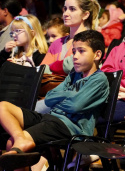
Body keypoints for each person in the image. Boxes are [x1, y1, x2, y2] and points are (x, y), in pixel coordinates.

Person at [0, 30, 109, 170]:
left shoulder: (99, 79)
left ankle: (21, 141)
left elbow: (76, 106)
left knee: (12, 144)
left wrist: (65, 94)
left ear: (97, 54)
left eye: (81, 51)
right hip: (51, 118)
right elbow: (50, 97)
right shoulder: (74, 74)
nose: (75, 56)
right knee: (3, 107)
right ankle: (20, 137)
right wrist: (70, 95)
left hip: (70, 127)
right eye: (74, 51)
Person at [41, 0, 100, 75]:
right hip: (54, 86)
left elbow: (72, 66)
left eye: (72, 9)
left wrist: (52, 67)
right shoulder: (57, 43)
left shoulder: (92, 40)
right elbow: (42, 70)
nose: (65, 14)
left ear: (85, 15)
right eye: (65, 9)